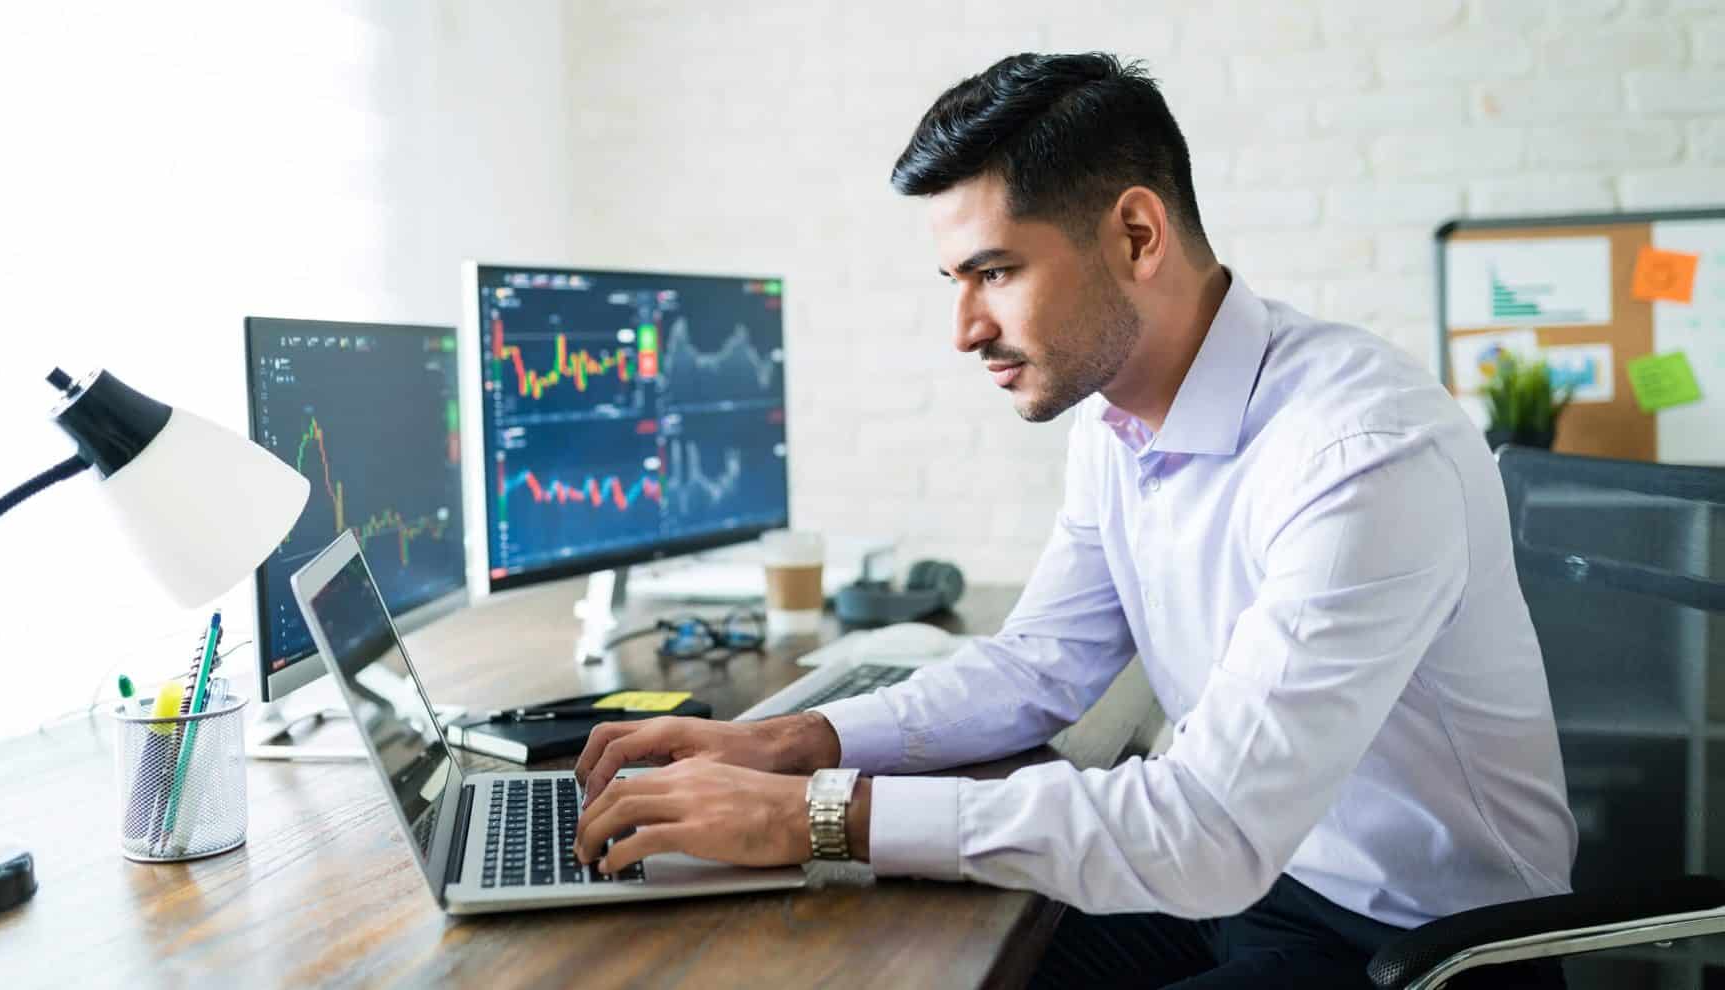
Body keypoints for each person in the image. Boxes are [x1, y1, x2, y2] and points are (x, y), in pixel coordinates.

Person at [573, 52, 1576, 988]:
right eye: (954, 282)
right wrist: (802, 740)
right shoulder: (1115, 418)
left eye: (995, 273)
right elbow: (1039, 666)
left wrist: (816, 816)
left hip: (1421, 947)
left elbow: (1207, 828)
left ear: (1135, 236)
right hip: (1250, 887)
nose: (963, 329)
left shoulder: (1360, 452)